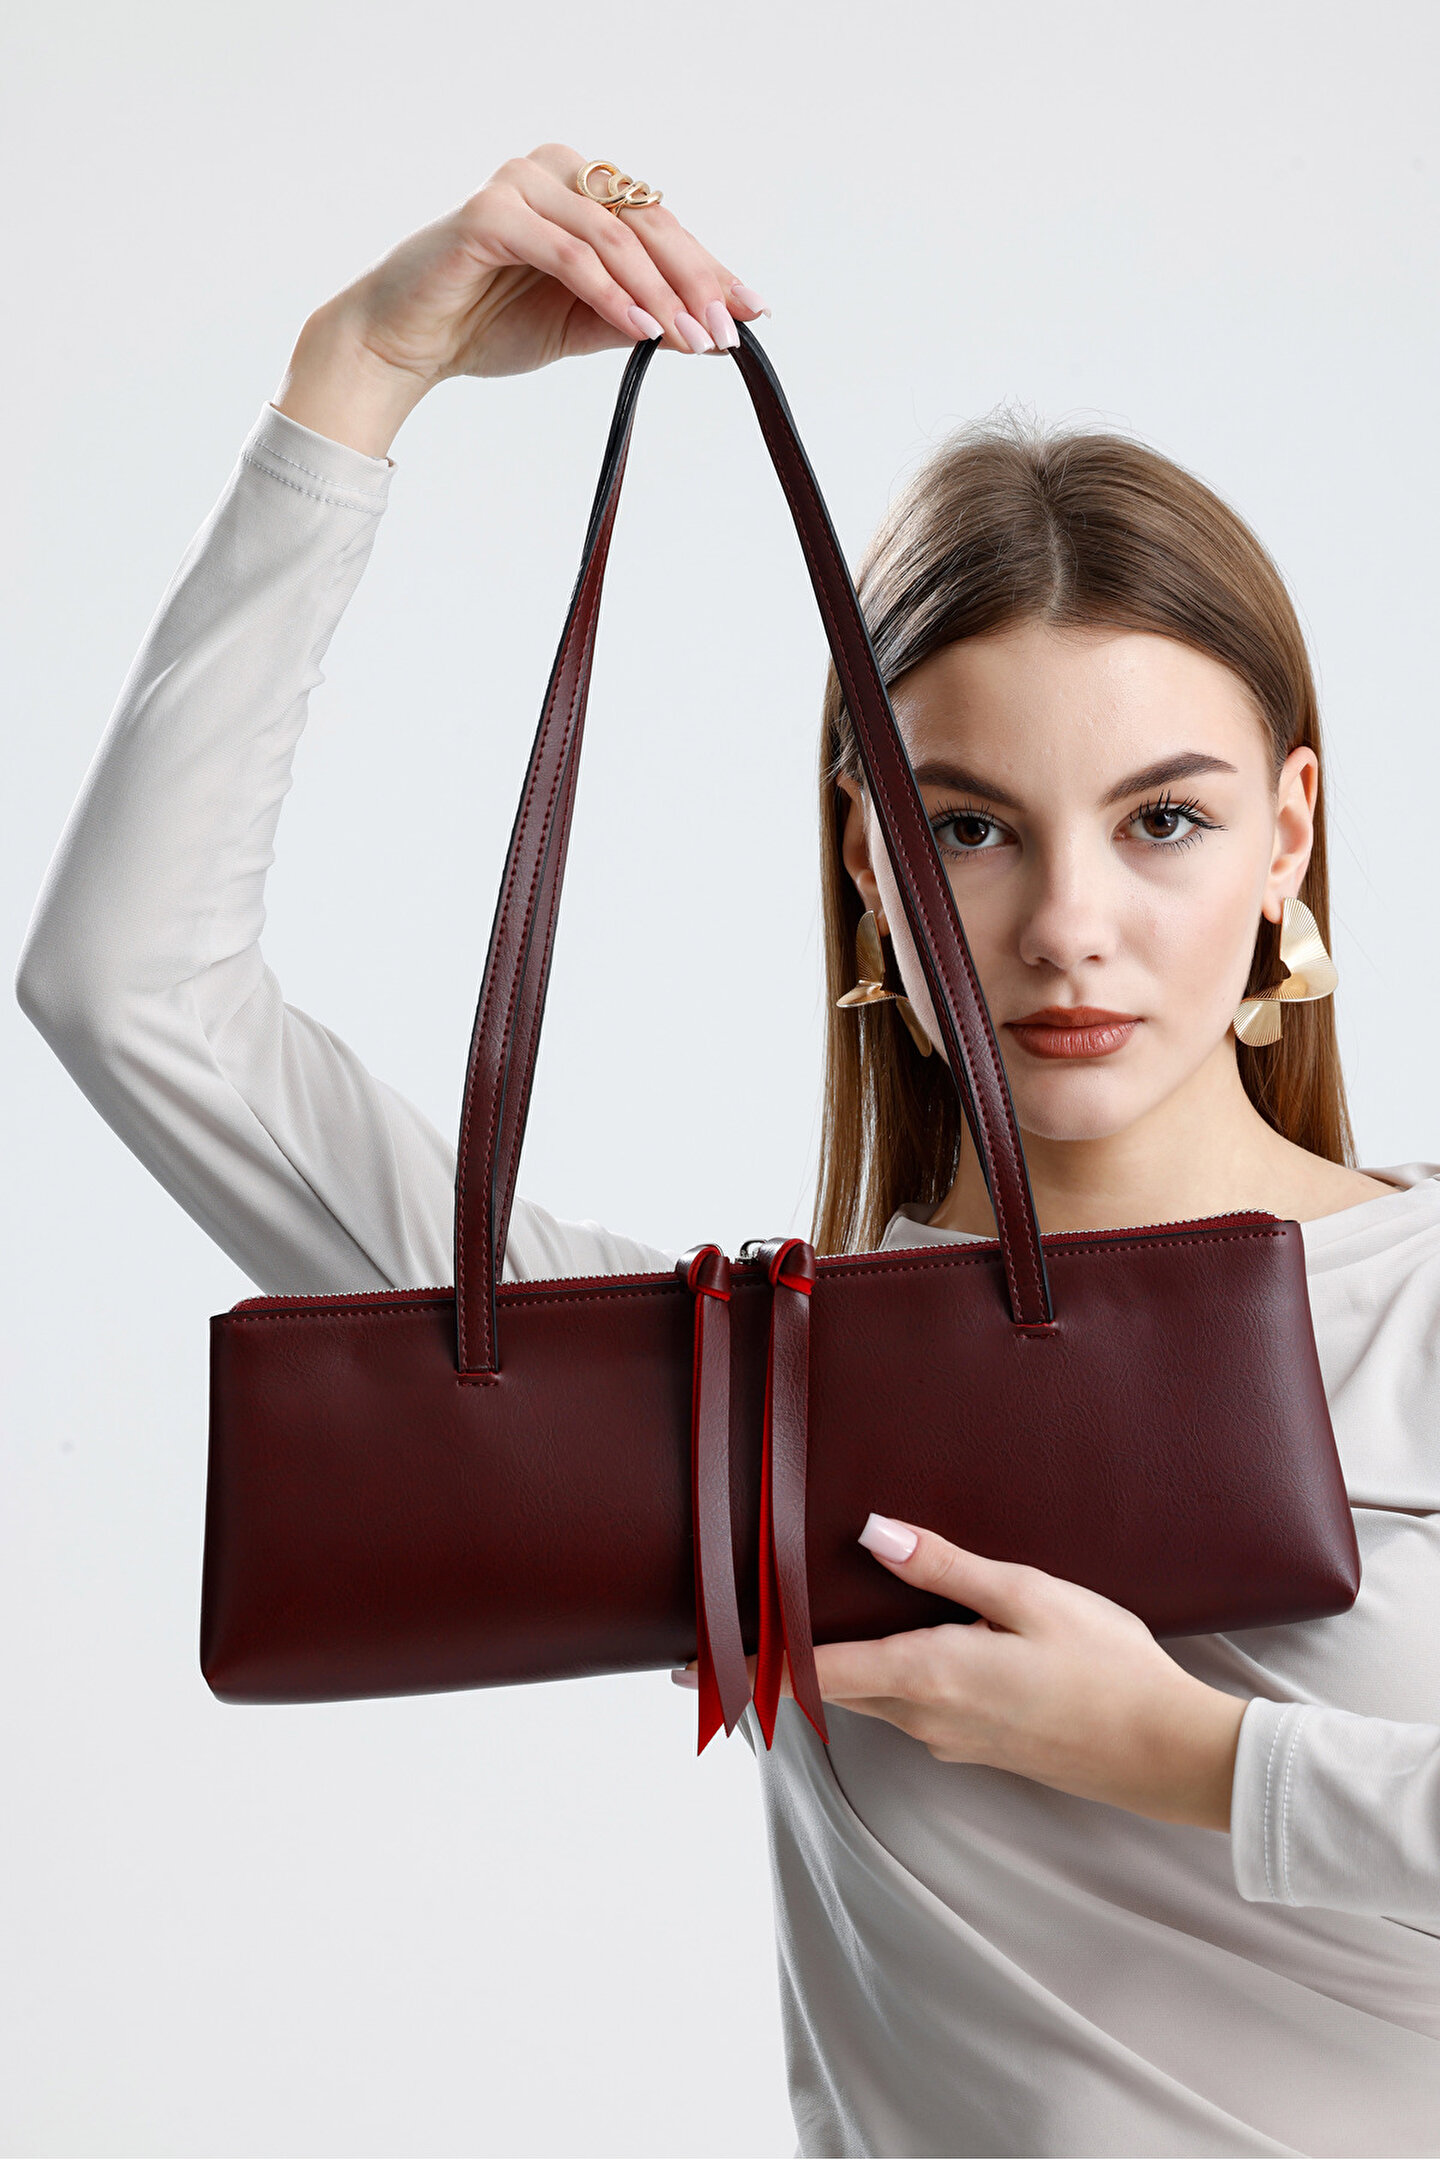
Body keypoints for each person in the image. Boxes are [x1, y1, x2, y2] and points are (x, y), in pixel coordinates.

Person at [16, 143, 1439, 2158]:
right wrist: (357, 377)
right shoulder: (735, 1400)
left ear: (1288, 833)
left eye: (1166, 821)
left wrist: (1197, 1760)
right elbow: (129, 989)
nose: (1068, 927)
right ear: (868, 852)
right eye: (968, 827)